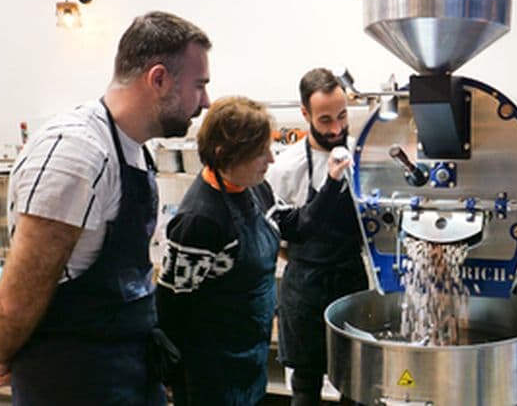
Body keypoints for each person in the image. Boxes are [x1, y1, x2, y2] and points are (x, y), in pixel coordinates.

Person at [0, 11, 211, 405]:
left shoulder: (134, 150)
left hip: (125, 368)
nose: (206, 101)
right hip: (73, 383)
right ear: (159, 79)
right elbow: (17, 297)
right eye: (199, 86)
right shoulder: (76, 153)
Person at [155, 96, 352, 405]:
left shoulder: (252, 188)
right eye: (260, 153)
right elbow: (171, 307)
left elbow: (296, 226)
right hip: (211, 372)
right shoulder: (200, 221)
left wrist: (331, 182)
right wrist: (172, 379)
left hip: (248, 355)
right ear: (224, 155)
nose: (271, 161)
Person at [266, 67, 369, 405]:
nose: (337, 128)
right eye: (325, 120)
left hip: (350, 278)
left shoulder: (363, 156)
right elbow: (277, 237)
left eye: (342, 116)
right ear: (304, 114)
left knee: (356, 383)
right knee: (305, 387)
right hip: (305, 288)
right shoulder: (286, 167)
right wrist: (305, 261)